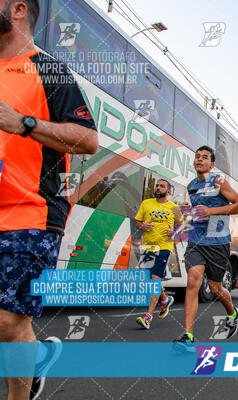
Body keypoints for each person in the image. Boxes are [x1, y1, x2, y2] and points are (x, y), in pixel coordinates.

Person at [0, 1, 98, 398]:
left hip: (33, 210)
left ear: (18, 9)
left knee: (7, 320)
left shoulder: (48, 69)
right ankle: (34, 356)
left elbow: (88, 139)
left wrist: (23, 123)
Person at [173, 146, 238, 349]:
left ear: (211, 164)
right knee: (193, 284)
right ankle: (188, 336)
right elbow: (197, 212)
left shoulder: (218, 181)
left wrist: (211, 211)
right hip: (196, 240)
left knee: (215, 288)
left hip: (217, 241)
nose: (199, 160)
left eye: (204, 157)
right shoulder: (191, 185)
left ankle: (232, 312)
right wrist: (183, 222)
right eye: (197, 157)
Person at [134, 179, 182, 329]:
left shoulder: (173, 207)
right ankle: (165, 300)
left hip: (164, 246)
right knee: (150, 280)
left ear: (168, 191)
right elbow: (137, 222)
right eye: (157, 185)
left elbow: (182, 225)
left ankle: (148, 317)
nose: (158, 188)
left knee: (155, 279)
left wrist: (173, 232)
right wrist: (143, 226)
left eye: (162, 186)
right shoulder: (146, 203)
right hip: (148, 246)